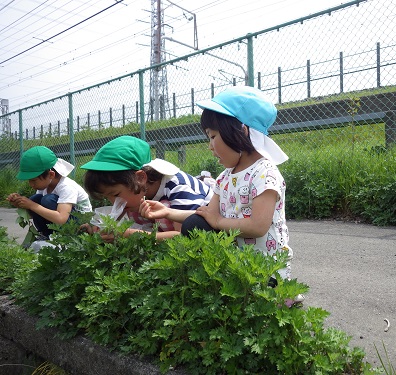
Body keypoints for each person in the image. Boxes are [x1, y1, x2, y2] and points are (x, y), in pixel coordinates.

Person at [139, 86, 297, 290]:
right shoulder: (225, 177)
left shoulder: (264, 173)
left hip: (266, 267)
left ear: (242, 131)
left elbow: (259, 226)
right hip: (236, 261)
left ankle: (282, 296)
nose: (210, 146)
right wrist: (168, 212)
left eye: (213, 136)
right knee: (195, 223)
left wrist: (219, 221)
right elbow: (207, 216)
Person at [80, 135, 213, 241]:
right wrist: (101, 231)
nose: (113, 202)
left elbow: (183, 236)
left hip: (210, 232)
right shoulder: (139, 192)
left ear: (140, 178)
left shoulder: (178, 188)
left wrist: (129, 235)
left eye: (115, 194)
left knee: (158, 209)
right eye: (107, 197)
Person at [7, 146, 92, 240]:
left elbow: (61, 218)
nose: (31, 184)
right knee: (36, 199)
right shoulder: (45, 186)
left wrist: (31, 205)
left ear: (51, 174)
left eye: (33, 180)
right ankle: (46, 235)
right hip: (65, 219)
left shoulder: (67, 187)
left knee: (46, 200)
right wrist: (20, 203)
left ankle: (64, 237)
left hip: (80, 224)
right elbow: (37, 213)